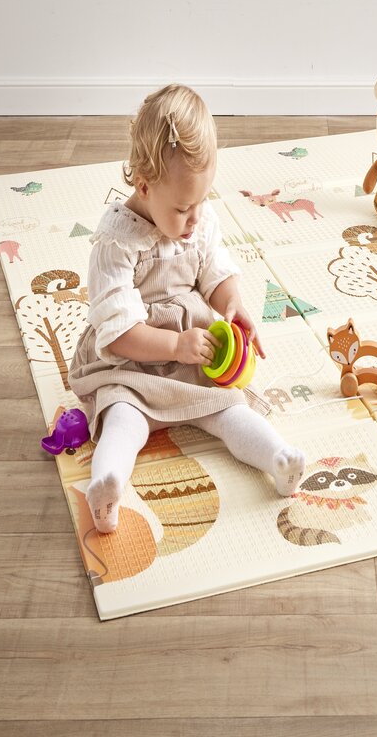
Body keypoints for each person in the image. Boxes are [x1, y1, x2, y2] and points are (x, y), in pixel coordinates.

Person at [68, 84, 305, 533]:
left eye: (202, 200)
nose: (195, 217)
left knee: (229, 406)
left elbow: (214, 270)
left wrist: (232, 304)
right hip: (133, 363)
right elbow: (120, 333)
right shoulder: (116, 243)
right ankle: (107, 485)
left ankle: (278, 459)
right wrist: (175, 345)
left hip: (193, 356)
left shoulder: (197, 218)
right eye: (182, 208)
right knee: (123, 417)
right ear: (143, 186)